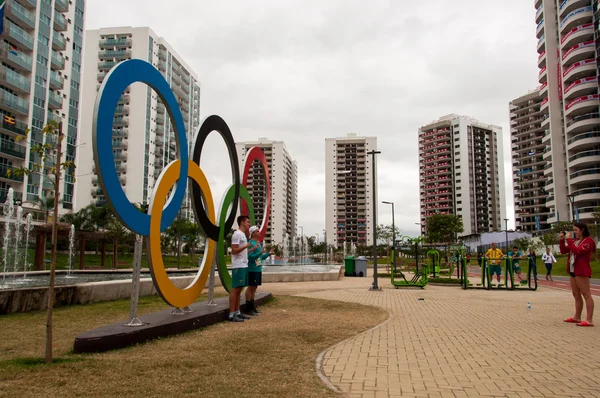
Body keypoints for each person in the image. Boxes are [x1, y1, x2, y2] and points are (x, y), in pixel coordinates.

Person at [559, 223, 595, 327]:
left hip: (582, 270)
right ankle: (577, 316)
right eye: (573, 230)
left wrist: (569, 240)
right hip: (572, 270)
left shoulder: (588, 241)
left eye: (576, 230)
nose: (574, 232)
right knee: (576, 294)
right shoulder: (575, 241)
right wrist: (562, 240)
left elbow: (577, 251)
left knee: (586, 294)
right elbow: (563, 250)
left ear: (582, 230)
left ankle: (589, 319)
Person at [229, 215, 254, 323]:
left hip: (244, 265)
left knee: (239, 289)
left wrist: (250, 248)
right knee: (235, 289)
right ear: (242, 222)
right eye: (247, 222)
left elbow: (243, 251)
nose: (249, 224)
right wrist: (245, 246)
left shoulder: (243, 235)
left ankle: (237, 312)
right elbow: (233, 250)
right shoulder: (237, 234)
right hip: (238, 265)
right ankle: (231, 314)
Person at [244, 226, 273, 316]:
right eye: (257, 231)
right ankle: (248, 307)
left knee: (254, 287)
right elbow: (250, 257)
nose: (259, 232)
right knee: (250, 287)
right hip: (252, 268)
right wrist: (259, 253)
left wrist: (268, 254)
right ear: (253, 233)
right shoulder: (251, 243)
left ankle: (252, 306)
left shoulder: (258, 243)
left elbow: (260, 257)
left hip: (258, 268)